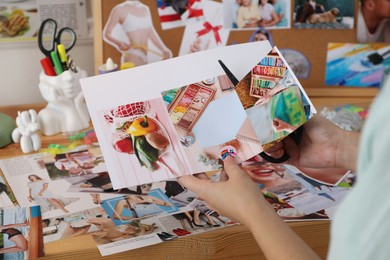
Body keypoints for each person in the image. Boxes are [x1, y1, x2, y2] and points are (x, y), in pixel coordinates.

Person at [103, 0, 172, 66]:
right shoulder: (119, 9)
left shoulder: (145, 9)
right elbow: (107, 33)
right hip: (133, 54)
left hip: (145, 54)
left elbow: (151, 33)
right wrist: (119, 43)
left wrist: (163, 50)